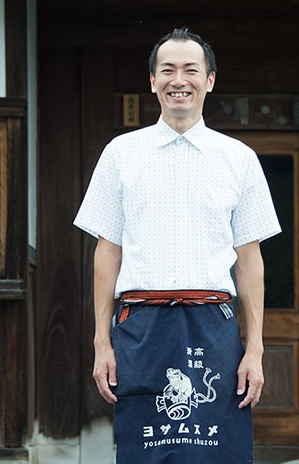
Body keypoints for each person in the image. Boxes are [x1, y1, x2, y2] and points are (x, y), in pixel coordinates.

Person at [73, 27, 281, 463]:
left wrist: (256, 349)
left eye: (191, 69)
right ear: (152, 80)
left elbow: (250, 260)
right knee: (144, 451)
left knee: (218, 451)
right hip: (140, 323)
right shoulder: (121, 153)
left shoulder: (238, 159)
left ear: (210, 80)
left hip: (214, 323)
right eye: (167, 70)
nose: (178, 80)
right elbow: (107, 252)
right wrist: (101, 342)